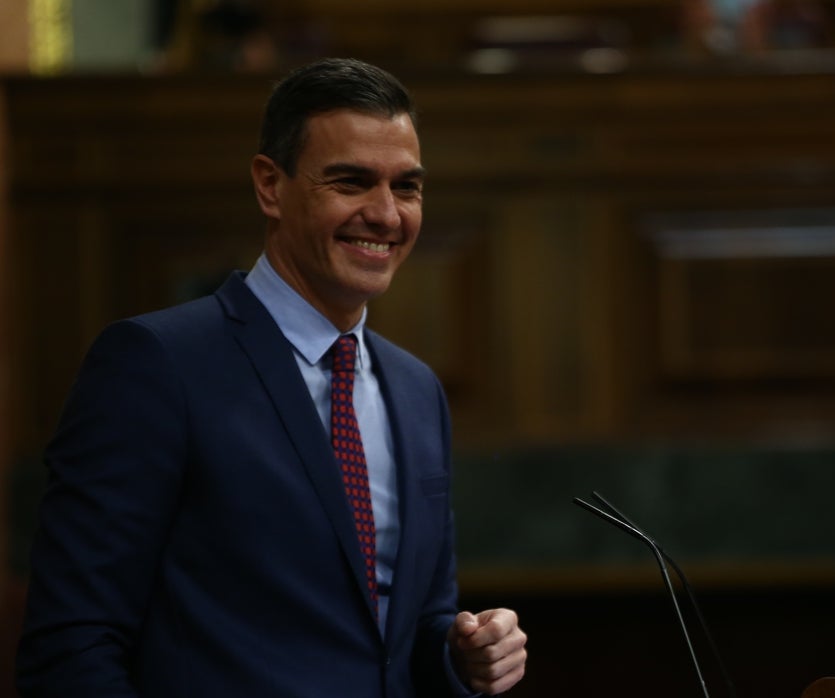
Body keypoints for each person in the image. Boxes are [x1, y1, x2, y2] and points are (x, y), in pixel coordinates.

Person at [15, 57, 527, 697]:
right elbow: (72, 643)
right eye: (351, 182)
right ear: (269, 185)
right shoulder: (155, 364)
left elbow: (410, 629)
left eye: (407, 187)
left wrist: (465, 653)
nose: (387, 215)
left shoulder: (418, 389)